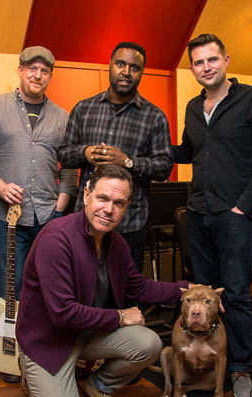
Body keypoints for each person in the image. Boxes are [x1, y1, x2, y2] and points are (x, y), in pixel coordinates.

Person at [16, 165, 189, 397]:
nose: (109, 209)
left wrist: (184, 290)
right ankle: (33, 374)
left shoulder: (115, 243)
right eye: (102, 199)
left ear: (126, 207)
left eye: (118, 203)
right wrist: (121, 316)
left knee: (149, 343)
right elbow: (63, 313)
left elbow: (139, 287)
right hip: (48, 342)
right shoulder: (56, 239)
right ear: (86, 195)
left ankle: (98, 386)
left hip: (86, 332)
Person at [172, 34, 252, 397]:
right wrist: (152, 148)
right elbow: (188, 151)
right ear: (192, 68)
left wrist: (242, 206)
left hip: (234, 215)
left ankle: (241, 369)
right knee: (204, 294)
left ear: (226, 59)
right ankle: (204, 362)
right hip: (198, 212)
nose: (206, 68)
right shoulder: (191, 106)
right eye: (199, 63)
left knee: (235, 295)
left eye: (212, 60)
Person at [0, 45, 77, 359]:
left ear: (50, 75)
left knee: (47, 285)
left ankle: (37, 348)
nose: (37, 75)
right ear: (20, 70)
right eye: (32, 68)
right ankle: (9, 349)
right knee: (10, 284)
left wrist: (61, 205)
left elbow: (71, 166)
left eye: (44, 70)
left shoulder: (63, 117)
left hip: (48, 216)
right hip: (4, 215)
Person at [58, 42, 174, 271]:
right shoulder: (84, 109)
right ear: (110, 65)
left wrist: (127, 161)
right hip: (87, 222)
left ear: (141, 73)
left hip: (130, 224)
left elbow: (164, 167)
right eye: (120, 64)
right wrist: (85, 152)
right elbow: (63, 154)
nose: (126, 72)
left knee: (125, 296)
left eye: (134, 67)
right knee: (84, 292)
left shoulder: (154, 117)